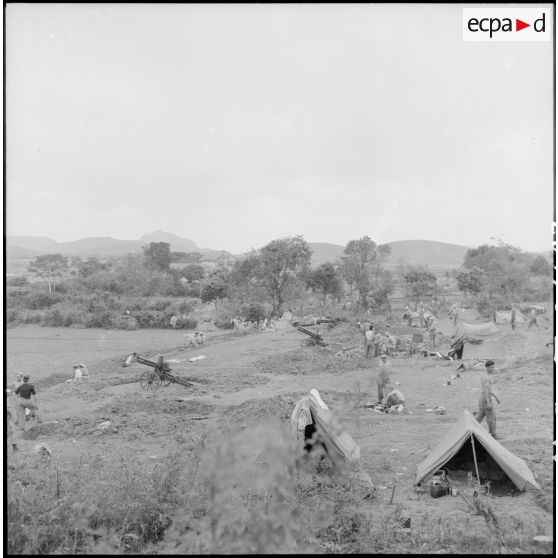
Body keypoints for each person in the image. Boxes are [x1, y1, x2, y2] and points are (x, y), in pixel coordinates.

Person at [474, 360, 500, 438]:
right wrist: (488, 402)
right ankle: (493, 435)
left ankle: (470, 427)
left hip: (482, 398)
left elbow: (489, 389)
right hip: (486, 398)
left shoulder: (485, 375)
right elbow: (486, 390)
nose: (493, 369)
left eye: (494, 367)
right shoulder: (487, 377)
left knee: (479, 416)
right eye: (492, 367)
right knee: (491, 417)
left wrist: (496, 398)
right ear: (487, 367)